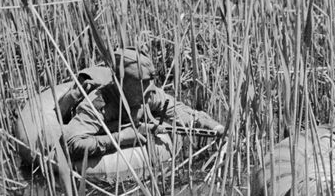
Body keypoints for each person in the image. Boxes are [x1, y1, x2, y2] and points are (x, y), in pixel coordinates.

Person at [64, 48, 225, 161]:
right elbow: (71, 144)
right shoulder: (98, 104)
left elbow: (180, 111)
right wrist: (120, 138)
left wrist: (214, 127)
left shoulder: (148, 94)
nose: (151, 89)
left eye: (150, 82)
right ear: (122, 84)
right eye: (142, 84)